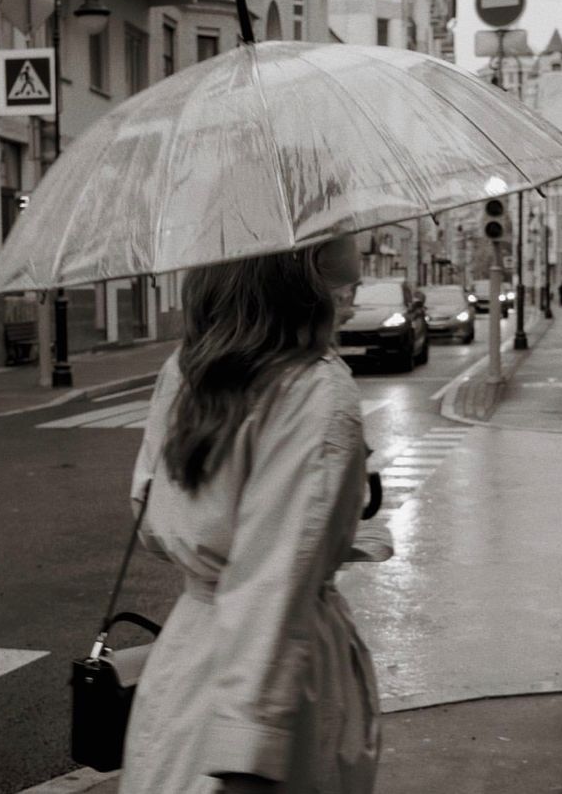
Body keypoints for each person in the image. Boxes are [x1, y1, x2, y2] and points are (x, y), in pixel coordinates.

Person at [121, 234, 381, 794]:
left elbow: (153, 525)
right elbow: (272, 586)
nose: (353, 296)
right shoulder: (316, 390)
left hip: (184, 665)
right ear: (310, 274)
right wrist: (247, 755)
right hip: (276, 681)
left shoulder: (188, 367)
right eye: (347, 280)